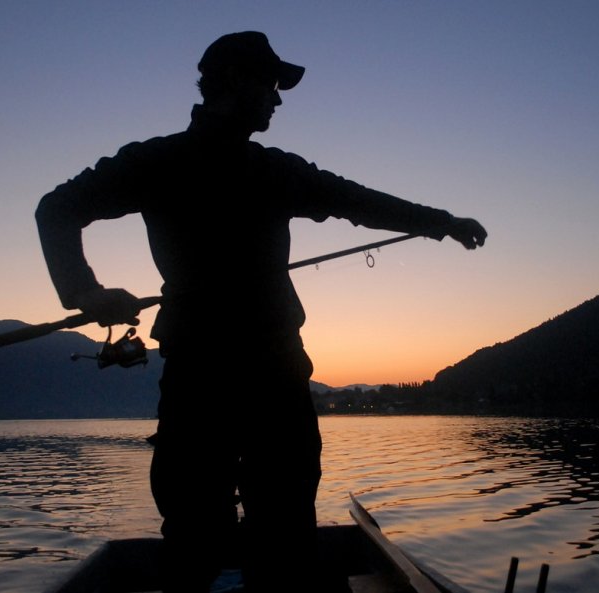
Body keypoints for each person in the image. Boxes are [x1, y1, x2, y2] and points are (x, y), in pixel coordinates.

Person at [35, 31, 486, 592]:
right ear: (234, 83)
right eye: (270, 85)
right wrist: (87, 292)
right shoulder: (204, 165)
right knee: (260, 528)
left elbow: (360, 202)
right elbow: (56, 210)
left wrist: (440, 221)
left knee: (236, 528)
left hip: (236, 373)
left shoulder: (184, 163)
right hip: (242, 374)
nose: (277, 99)